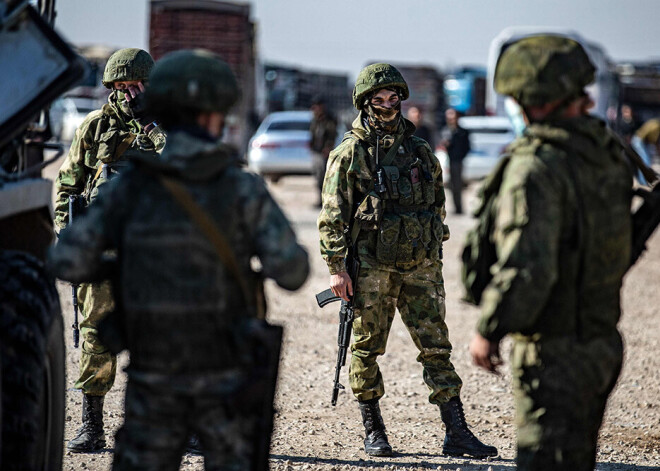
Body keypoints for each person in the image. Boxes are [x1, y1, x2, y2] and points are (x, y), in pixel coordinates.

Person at [49, 49, 309, 469]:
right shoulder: (243, 190)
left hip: (155, 380)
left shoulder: (130, 188)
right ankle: (91, 419)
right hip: (227, 378)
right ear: (217, 116)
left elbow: (65, 259)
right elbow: (294, 273)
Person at [468, 36, 634, 470]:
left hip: (552, 351)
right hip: (600, 342)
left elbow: (528, 266)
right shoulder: (606, 152)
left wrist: (489, 328)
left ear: (532, 101)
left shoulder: (537, 166)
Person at [318, 63, 497, 459]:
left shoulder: (418, 149)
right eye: (378, 100)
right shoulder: (351, 152)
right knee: (366, 348)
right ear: (365, 104)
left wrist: (429, 246)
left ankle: (457, 432)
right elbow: (332, 215)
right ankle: (374, 430)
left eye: (393, 98)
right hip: (371, 266)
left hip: (420, 266)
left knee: (436, 347)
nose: (387, 106)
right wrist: (336, 268)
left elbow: (437, 202)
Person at [54, 47, 166, 453]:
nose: (126, 94)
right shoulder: (95, 126)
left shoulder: (169, 126)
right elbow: (67, 185)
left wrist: (151, 125)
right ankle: (92, 425)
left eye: (134, 86)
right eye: (119, 87)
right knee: (95, 333)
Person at [439, 108, 470, 214]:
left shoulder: (462, 132)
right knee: (449, 186)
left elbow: (467, 147)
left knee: (457, 185)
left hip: (457, 161)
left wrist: (460, 157)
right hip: (446, 160)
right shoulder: (445, 131)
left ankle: (459, 208)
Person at [310, 95, 338, 207]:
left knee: (325, 177)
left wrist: (328, 147)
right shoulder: (315, 119)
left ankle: (327, 200)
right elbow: (312, 133)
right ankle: (321, 200)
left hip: (326, 152)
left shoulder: (329, 119)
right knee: (318, 177)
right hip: (317, 152)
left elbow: (332, 134)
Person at [631, 117, 660, 185]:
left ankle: (643, 181)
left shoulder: (655, 122)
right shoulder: (657, 127)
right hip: (639, 140)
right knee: (645, 161)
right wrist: (657, 149)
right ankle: (644, 182)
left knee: (645, 161)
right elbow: (653, 140)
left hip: (639, 140)